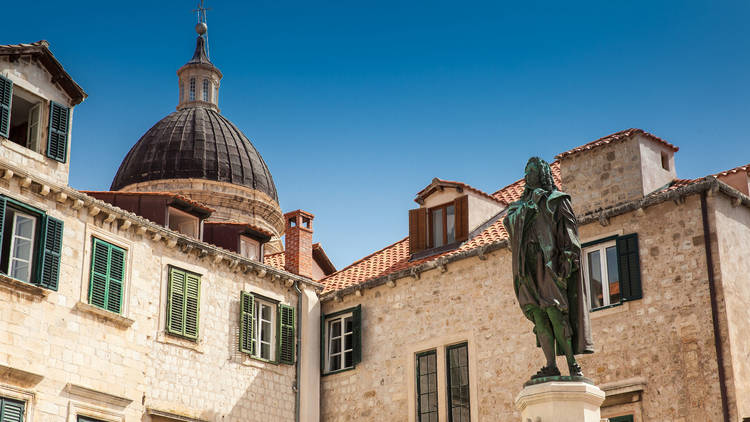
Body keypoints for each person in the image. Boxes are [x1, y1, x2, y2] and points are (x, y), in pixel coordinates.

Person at [503, 157, 594, 379]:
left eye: (532, 170)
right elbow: (510, 225)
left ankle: (572, 363)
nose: (528, 175)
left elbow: (569, 230)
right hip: (527, 265)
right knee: (538, 314)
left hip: (550, 263)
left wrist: (569, 258)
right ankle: (551, 364)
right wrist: (529, 208)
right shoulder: (518, 207)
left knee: (554, 310)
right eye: (526, 171)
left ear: (543, 173)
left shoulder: (557, 200)